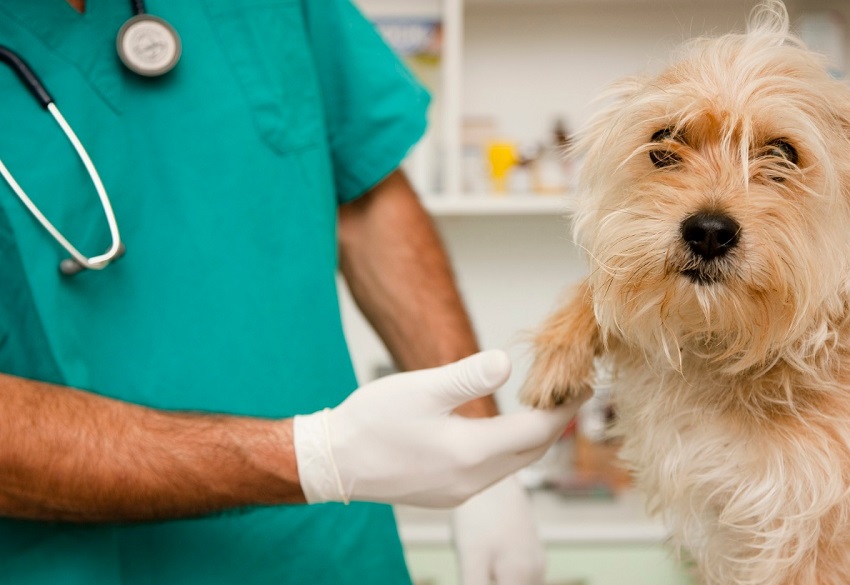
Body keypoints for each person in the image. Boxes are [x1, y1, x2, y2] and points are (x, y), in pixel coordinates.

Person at [0, 1, 588, 584]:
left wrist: (482, 455)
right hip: (80, 561)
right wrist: (314, 457)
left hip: (331, 549)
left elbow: (363, 193)